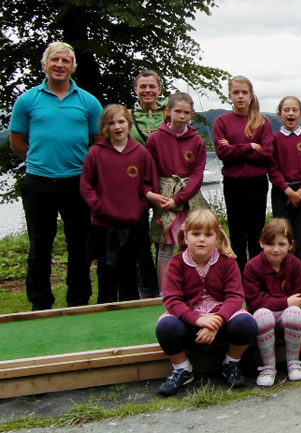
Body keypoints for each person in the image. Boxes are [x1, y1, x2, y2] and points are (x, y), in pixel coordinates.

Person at [9, 42, 103, 311]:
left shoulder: (87, 101)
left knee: (80, 246)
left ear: (73, 67)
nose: (60, 65)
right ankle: (40, 303)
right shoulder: (28, 100)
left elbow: (98, 142)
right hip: (39, 183)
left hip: (76, 182)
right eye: (55, 60)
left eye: (65, 61)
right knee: (40, 246)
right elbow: (17, 142)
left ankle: (79, 300)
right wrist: (39, 163)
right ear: (45, 65)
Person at [155, 209, 257, 396]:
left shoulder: (227, 261)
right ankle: (183, 369)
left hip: (222, 319)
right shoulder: (177, 263)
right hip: (190, 321)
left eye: (208, 234)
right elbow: (171, 299)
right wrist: (198, 320)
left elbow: (235, 296)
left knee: (247, 323)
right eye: (196, 234)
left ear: (216, 237)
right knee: (165, 327)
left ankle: (231, 363)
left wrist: (216, 321)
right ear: (186, 237)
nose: (201, 239)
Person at [81, 104, 157, 303]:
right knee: (106, 271)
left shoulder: (141, 153)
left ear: (129, 124)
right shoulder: (96, 153)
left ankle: (129, 311)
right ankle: (104, 312)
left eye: (121, 121)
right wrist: (99, 207)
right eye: (111, 123)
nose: (117, 127)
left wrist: (140, 209)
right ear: (105, 127)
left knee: (129, 271)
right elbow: (86, 185)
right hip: (104, 224)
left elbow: (150, 185)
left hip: (133, 223)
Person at [145, 92, 209, 291]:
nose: (182, 116)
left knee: (195, 243)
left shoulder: (197, 141)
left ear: (191, 115)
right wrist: (153, 194)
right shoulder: (155, 139)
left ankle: (195, 288)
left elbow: (197, 176)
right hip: (164, 198)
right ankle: (164, 291)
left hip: (190, 199)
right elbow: (149, 170)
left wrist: (179, 198)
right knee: (165, 247)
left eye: (186, 112)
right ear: (168, 112)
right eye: (178, 111)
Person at [213, 76, 274, 270]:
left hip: (257, 182)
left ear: (251, 95)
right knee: (237, 232)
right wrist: (250, 147)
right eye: (236, 92)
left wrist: (235, 149)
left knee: (256, 232)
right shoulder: (222, 121)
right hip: (233, 183)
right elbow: (222, 153)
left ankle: (255, 273)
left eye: (244, 92)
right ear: (230, 95)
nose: (240, 96)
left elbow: (266, 154)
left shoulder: (262, 121)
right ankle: (237, 275)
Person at [243, 218, 301, 386]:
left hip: (287, 314)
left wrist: (287, 304)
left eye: (281, 244)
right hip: (265, 313)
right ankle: (268, 367)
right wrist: (285, 302)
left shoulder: (295, 264)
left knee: (295, 313)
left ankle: (293, 362)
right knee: (263, 315)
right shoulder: (252, 266)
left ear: (291, 245)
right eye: (270, 244)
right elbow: (255, 300)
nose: (276, 249)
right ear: (261, 243)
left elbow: (300, 296)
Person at [131, 70, 167, 298]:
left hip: (164, 183)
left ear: (159, 89)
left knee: (164, 238)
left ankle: (167, 288)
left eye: (152, 86)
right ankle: (147, 290)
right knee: (139, 238)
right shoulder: (128, 116)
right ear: (136, 90)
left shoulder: (169, 114)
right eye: (143, 86)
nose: (147, 91)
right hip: (135, 184)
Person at [268, 96, 301, 262]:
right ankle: (283, 271)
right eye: (286, 110)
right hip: (282, 192)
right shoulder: (275, 139)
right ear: (279, 114)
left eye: (294, 110)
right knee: (282, 235)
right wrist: (289, 192)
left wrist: (300, 192)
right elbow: (273, 169)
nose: (290, 113)